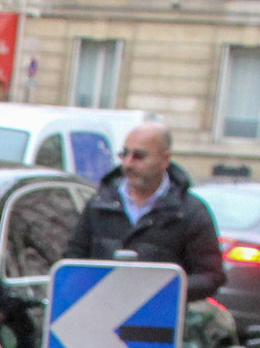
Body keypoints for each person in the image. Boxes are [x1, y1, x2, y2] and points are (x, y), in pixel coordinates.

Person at [61, 122, 226, 302]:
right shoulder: (99, 204)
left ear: (165, 160)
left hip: (159, 321)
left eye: (139, 156)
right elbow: (72, 261)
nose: (128, 163)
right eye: (124, 154)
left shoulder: (189, 212)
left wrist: (161, 290)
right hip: (100, 315)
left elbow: (211, 277)